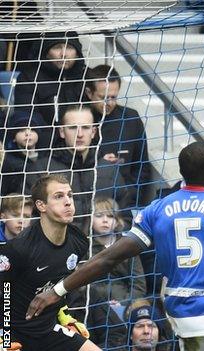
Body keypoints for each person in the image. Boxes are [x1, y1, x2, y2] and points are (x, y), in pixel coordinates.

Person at [26, 141, 204, 351]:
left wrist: (58, 290)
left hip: (181, 316)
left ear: (182, 172)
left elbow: (107, 259)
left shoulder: (157, 210)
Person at [0, 174, 100, 350]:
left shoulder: (79, 241)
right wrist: (3, 336)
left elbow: (57, 283)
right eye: (58, 196)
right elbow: (4, 293)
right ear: (41, 205)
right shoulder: (19, 248)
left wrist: (64, 316)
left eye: (70, 195)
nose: (68, 201)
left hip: (47, 329)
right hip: (13, 334)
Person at [25, 105, 128, 230]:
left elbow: (125, 218)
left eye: (85, 127)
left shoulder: (110, 170)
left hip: (101, 248)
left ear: (94, 132)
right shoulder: (41, 170)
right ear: (62, 132)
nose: (80, 134)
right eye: (73, 128)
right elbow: (27, 217)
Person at [84, 65, 152, 207]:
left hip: (123, 203)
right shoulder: (79, 120)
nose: (109, 103)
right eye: (103, 97)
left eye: (113, 97)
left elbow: (142, 166)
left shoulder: (130, 119)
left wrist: (130, 196)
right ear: (89, 93)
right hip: (87, 201)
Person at [12, 31, 87, 149]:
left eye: (69, 47)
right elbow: (27, 114)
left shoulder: (87, 76)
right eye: (57, 47)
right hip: (47, 149)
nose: (64, 54)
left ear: (77, 54)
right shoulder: (30, 78)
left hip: (85, 145)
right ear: (46, 53)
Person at [90, 196, 145, 304]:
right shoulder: (85, 247)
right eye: (99, 215)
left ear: (117, 221)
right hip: (92, 304)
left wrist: (124, 302)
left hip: (124, 304)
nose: (105, 220)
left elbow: (139, 285)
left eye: (110, 216)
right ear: (91, 219)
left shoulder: (127, 246)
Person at [1, 110, 45, 195]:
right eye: (21, 130)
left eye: (32, 129)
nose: (27, 133)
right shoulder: (9, 162)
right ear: (13, 137)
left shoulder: (47, 157)